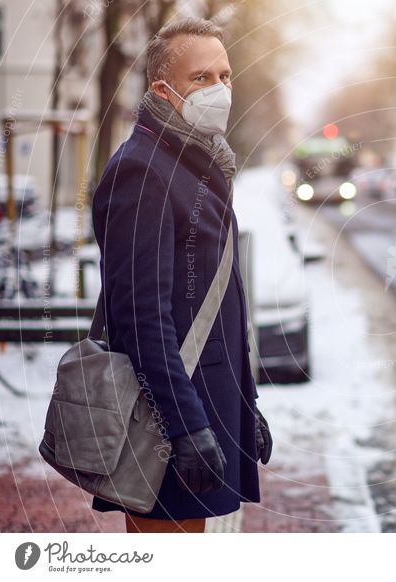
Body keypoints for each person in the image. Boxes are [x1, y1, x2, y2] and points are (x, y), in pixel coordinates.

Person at [89, 17, 272, 533]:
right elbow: (142, 317)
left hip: (200, 408)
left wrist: (245, 404)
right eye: (201, 78)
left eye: (225, 75)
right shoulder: (143, 171)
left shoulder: (194, 164)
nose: (218, 89)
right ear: (162, 91)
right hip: (166, 421)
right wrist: (186, 425)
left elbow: (217, 300)